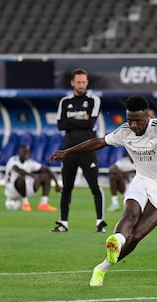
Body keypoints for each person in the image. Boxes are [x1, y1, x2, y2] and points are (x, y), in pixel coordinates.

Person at [49, 96, 157, 287]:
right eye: (129, 119)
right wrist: (67, 152)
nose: (133, 125)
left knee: (136, 235)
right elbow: (99, 142)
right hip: (141, 180)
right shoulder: (124, 132)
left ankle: (101, 268)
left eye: (137, 120)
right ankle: (116, 240)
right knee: (130, 213)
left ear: (147, 116)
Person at [50, 68, 106, 233]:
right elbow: (61, 125)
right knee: (66, 187)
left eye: (84, 82)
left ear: (87, 83)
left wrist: (72, 120)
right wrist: (82, 119)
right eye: (78, 82)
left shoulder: (93, 100)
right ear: (72, 83)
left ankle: (100, 222)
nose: (81, 85)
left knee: (94, 186)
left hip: (88, 149)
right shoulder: (65, 102)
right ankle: (63, 223)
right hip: (68, 150)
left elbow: (90, 124)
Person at [4, 144, 61, 212]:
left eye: (28, 152)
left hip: (25, 188)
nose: (27, 153)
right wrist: (33, 177)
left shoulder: (30, 162)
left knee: (45, 176)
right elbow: (18, 170)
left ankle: (43, 204)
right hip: (12, 190)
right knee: (21, 178)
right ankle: (25, 204)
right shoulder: (13, 160)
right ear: (19, 152)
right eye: (24, 152)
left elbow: (46, 169)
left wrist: (56, 183)